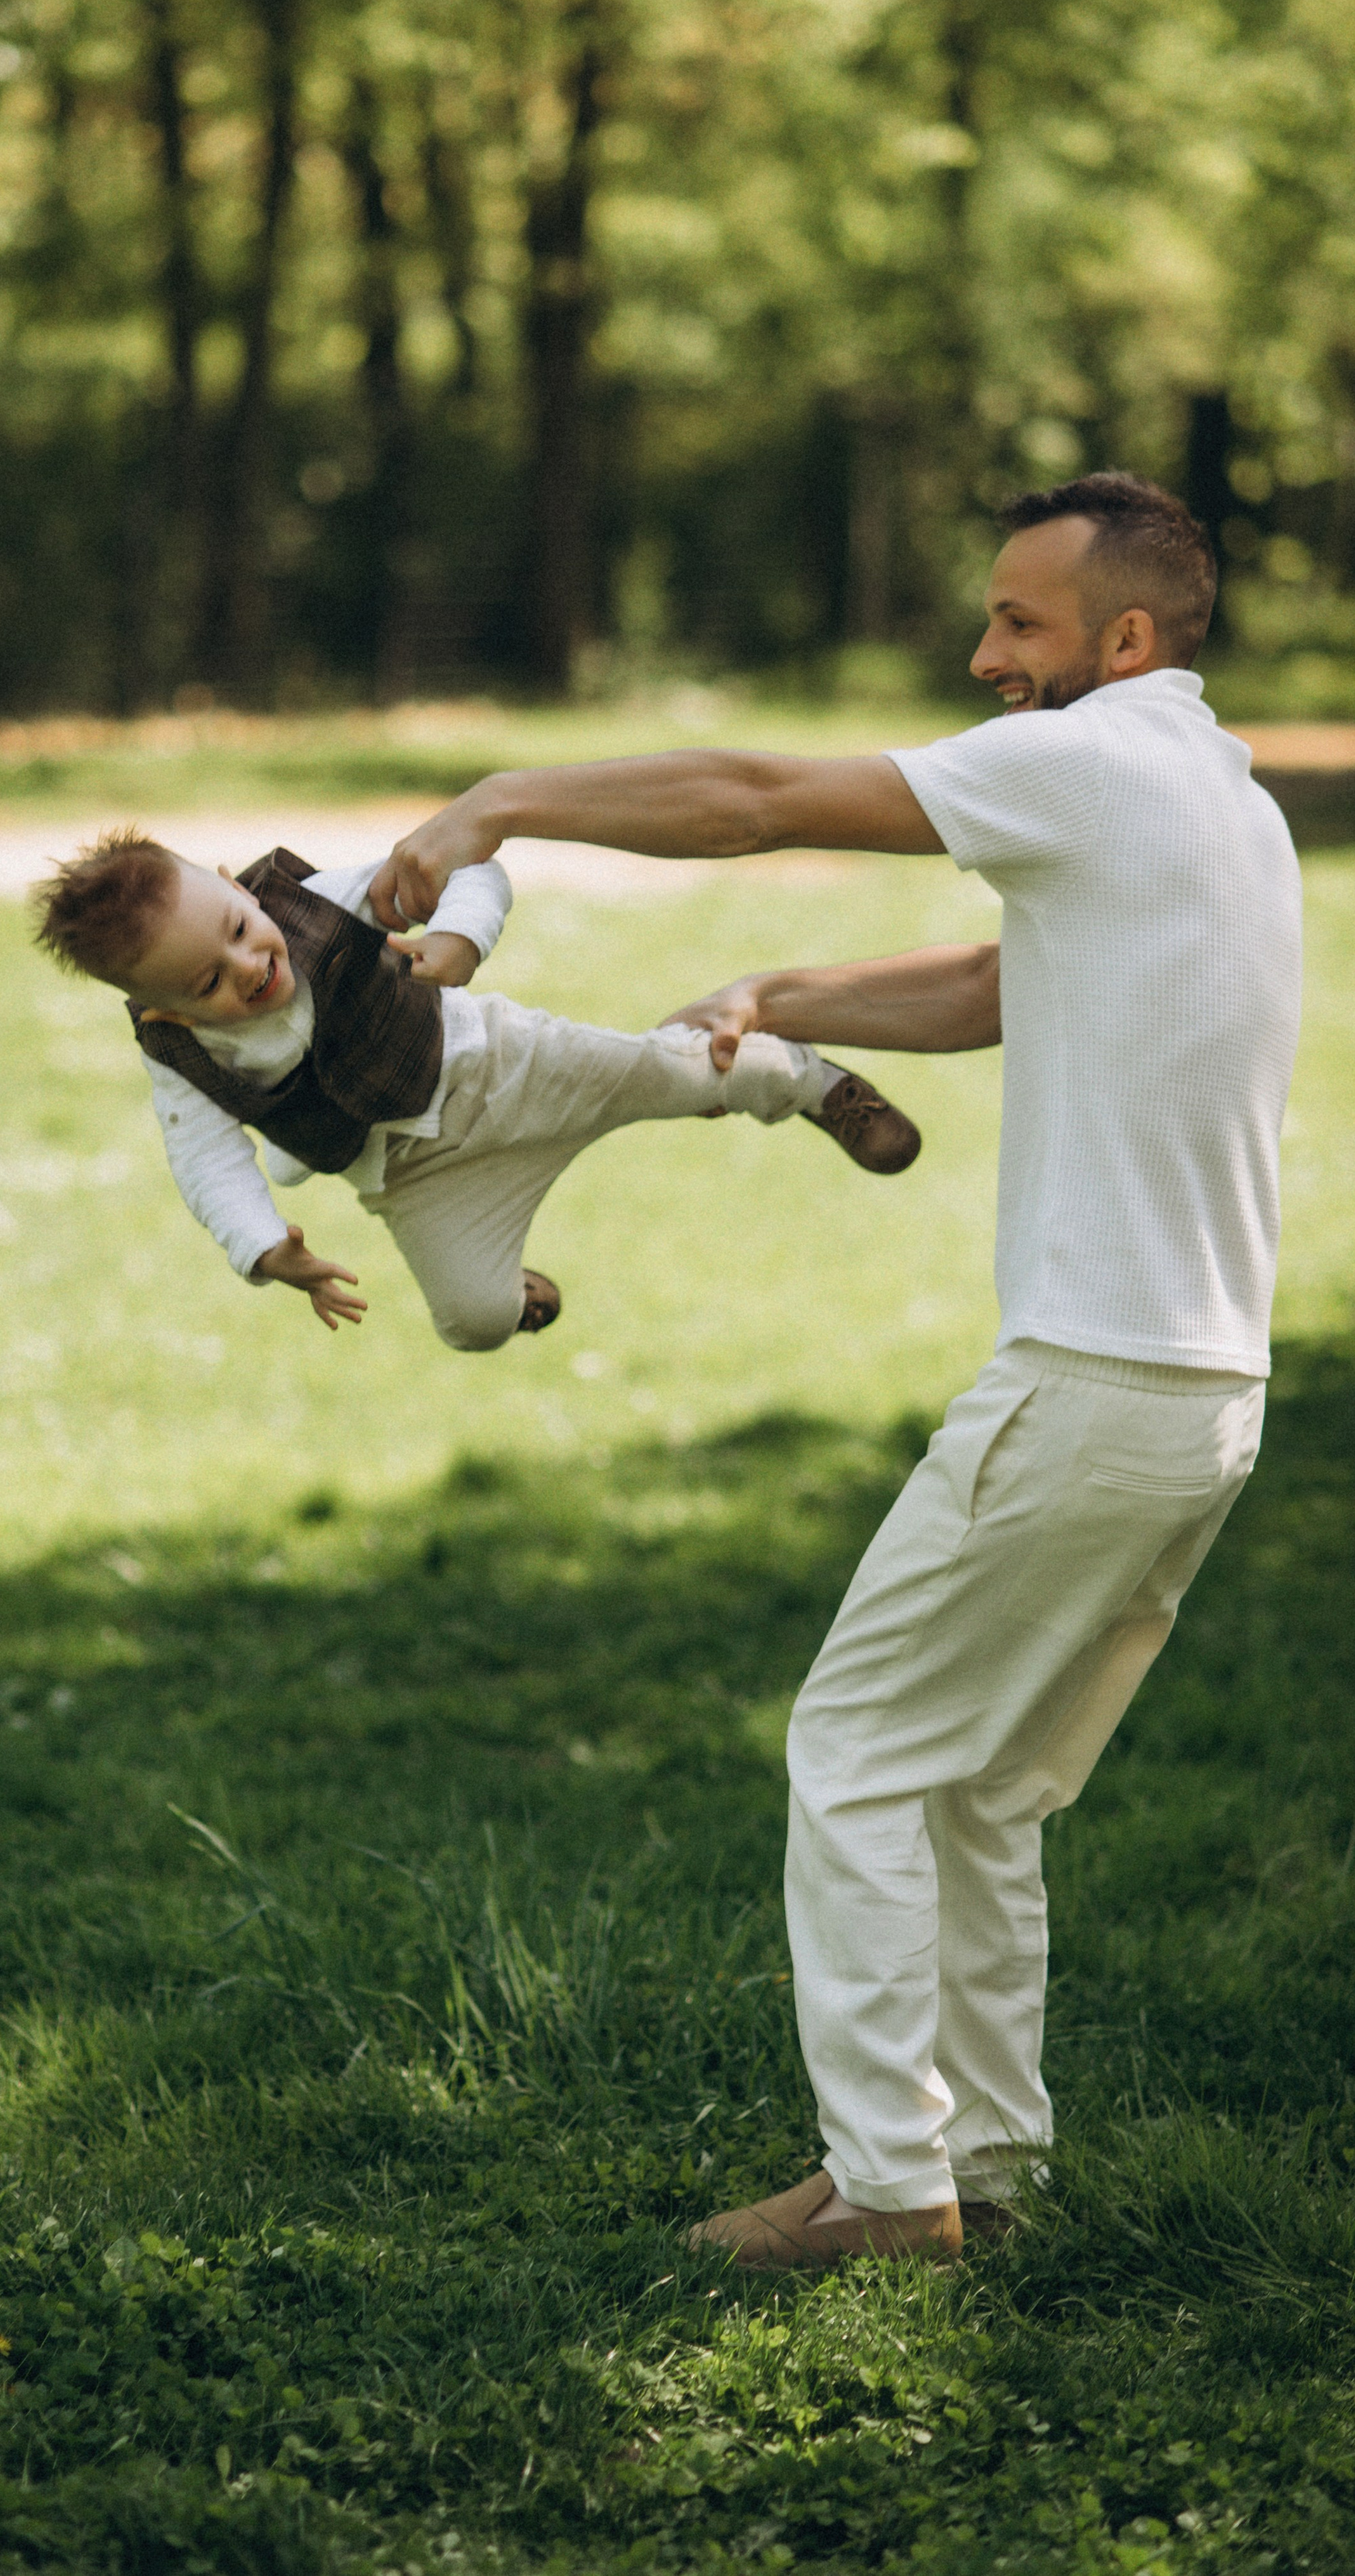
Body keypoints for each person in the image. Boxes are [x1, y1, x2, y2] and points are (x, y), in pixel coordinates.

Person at [371, 472, 1303, 2266]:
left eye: (1017, 623)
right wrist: (783, 996)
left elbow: (754, 794)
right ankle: (989, 2167)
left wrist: (500, 801)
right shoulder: (1217, 798)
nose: (982, 654)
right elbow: (1002, 985)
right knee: (981, 1791)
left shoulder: (1089, 761)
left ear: (1122, 639)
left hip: (1087, 1381)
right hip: (1200, 1401)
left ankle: (886, 2186)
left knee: (858, 1749)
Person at [30, 834, 921, 1353]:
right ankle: (516, 1290)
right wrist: (264, 1250)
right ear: (166, 1011)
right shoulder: (176, 1054)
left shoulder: (321, 901)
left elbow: (467, 866)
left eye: (237, 928)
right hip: (415, 1172)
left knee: (678, 1073)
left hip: (504, 1066)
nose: (248, 967)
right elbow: (204, 1160)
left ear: (236, 888)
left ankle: (812, 1084)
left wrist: (460, 937)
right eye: (208, 982)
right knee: (471, 1323)